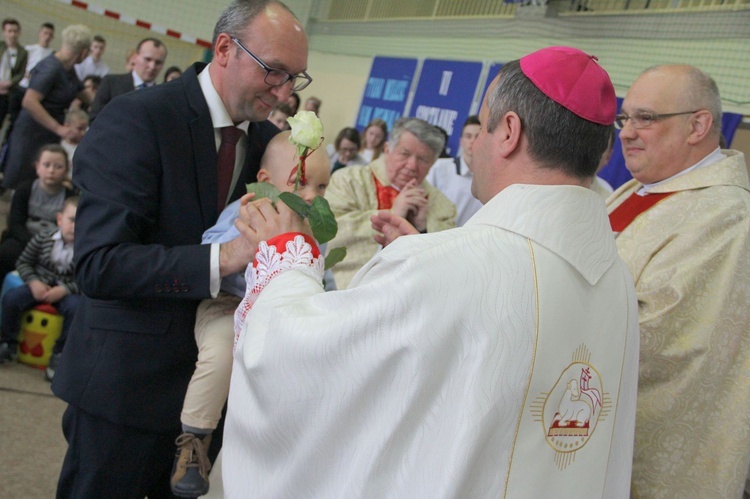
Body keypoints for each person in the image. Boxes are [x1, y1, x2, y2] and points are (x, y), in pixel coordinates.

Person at [223, 46, 639, 497]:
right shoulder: (617, 283)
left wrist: (286, 257)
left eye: (484, 126)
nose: (474, 143)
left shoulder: (448, 265)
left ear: (509, 133)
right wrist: (424, 263)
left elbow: (299, 356)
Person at [50, 1, 310, 497]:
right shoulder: (139, 117)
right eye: (274, 72)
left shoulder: (271, 147)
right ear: (225, 49)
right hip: (124, 390)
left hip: (210, 409)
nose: (284, 93)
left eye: (296, 78)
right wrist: (225, 257)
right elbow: (100, 265)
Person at [606, 64, 750, 498]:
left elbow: (669, 342)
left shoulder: (724, 216)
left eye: (645, 118)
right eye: (624, 118)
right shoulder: (637, 190)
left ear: (698, 125)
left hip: (654, 461)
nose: (627, 133)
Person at [170, 130, 331, 497]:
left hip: (278, 319)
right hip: (228, 306)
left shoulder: (312, 229)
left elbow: (324, 274)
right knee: (221, 350)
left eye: (322, 187)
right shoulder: (248, 211)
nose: (311, 195)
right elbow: (210, 248)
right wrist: (244, 247)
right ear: (265, 183)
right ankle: (194, 441)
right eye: (301, 182)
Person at [324, 116, 456, 289]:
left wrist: (423, 228)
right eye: (405, 154)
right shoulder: (348, 180)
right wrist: (392, 215)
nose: (412, 166)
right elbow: (329, 233)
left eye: (423, 159)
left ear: (432, 164)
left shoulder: (442, 205)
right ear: (387, 149)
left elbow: (446, 263)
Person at [2, 24, 91, 190]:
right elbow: (29, 101)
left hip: (47, 133)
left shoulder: (68, 69)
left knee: (38, 182)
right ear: (84, 52)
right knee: (20, 181)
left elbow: (83, 94)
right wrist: (59, 129)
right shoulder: (51, 68)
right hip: (32, 132)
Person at [0, 196, 79, 383]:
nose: (76, 227)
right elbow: (23, 262)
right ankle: (7, 342)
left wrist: (66, 289)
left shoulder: (86, 248)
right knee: (11, 298)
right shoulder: (44, 237)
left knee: (76, 310)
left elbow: (86, 278)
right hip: (38, 285)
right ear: (60, 219)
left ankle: (59, 355)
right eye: (72, 220)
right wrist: (33, 281)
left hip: (65, 292)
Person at [0, 144, 75, 285]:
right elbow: (15, 223)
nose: (51, 171)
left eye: (58, 166)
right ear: (37, 167)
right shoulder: (24, 189)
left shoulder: (69, 196)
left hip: (54, 243)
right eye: (46, 165)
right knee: (7, 251)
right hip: (24, 238)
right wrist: (32, 244)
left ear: (66, 170)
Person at [88, 37, 167, 121]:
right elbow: (95, 119)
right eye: (147, 59)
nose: (152, 67)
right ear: (136, 57)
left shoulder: (161, 99)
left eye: (158, 63)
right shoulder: (111, 83)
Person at [425, 115, 483, 226]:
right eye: (468, 136)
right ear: (461, 141)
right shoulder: (440, 167)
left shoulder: (491, 178)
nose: (472, 141)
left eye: (477, 136)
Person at [12, 22, 54, 129]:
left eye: (50, 34)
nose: (47, 36)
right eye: (45, 33)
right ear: (39, 33)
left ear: (52, 37)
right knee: (13, 119)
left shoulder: (52, 55)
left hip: (36, 90)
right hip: (22, 87)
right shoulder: (28, 50)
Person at [0, 19, 28, 127]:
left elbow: (21, 73)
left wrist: (9, 83)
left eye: (15, 31)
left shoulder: (22, 52)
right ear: (4, 32)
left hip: (7, 92)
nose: (12, 34)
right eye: (10, 31)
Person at [59, 109, 89, 175]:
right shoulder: (60, 146)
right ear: (67, 126)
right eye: (80, 129)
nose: (83, 133)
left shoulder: (87, 148)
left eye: (85, 129)